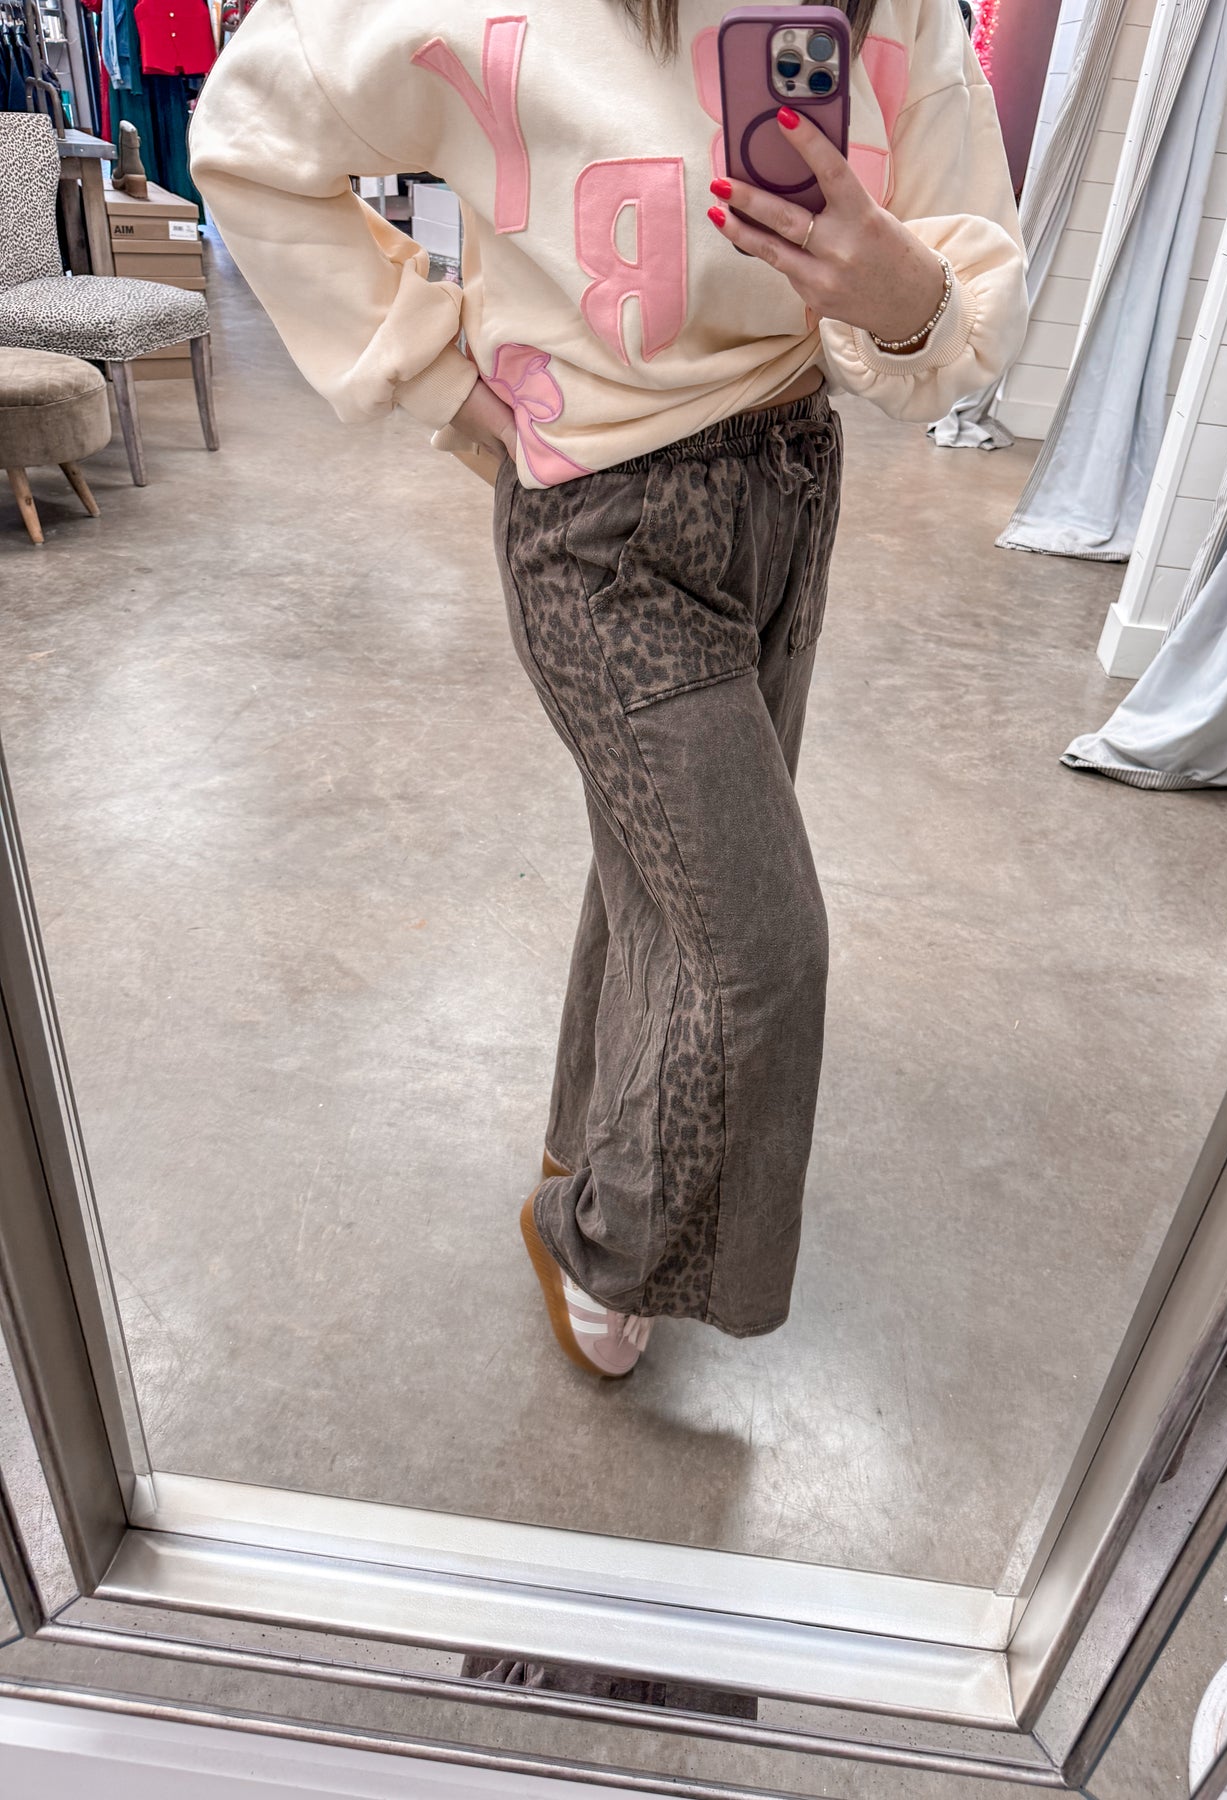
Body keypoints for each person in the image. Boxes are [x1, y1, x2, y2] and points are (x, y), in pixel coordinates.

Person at [190, 0, 1028, 1382]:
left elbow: (966, 294)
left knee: (656, 881)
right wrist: (442, 380)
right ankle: (599, 1238)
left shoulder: (898, 14)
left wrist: (902, 298)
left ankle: (585, 1141)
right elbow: (249, 134)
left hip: (788, 486)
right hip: (600, 527)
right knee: (759, 955)